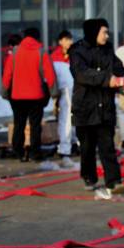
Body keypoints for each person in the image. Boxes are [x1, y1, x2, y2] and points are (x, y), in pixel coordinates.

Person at [69, 18, 124, 199]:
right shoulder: (78, 51)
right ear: (94, 32)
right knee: (87, 148)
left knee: (107, 146)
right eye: (104, 32)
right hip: (85, 107)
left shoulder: (108, 49)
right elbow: (81, 74)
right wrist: (106, 79)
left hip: (105, 107)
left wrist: (123, 78)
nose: (107, 35)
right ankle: (89, 177)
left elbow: (118, 67)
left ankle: (114, 181)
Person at [2, 27, 56, 162]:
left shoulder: (14, 52)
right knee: (35, 125)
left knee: (18, 124)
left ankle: (18, 151)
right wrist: (54, 92)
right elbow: (50, 75)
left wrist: (4, 92)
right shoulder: (41, 52)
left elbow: (7, 75)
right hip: (36, 96)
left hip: (17, 96)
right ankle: (34, 152)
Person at [51, 30, 77, 164]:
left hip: (75, 90)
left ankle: (74, 143)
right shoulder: (55, 57)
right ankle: (65, 147)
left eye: (70, 39)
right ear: (60, 41)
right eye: (67, 39)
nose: (69, 42)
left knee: (73, 118)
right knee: (65, 118)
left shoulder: (75, 54)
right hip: (64, 92)